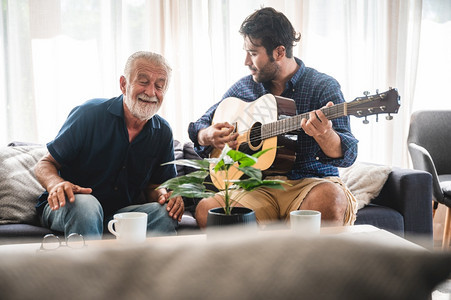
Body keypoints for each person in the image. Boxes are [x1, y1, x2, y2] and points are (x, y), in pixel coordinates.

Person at [188, 7, 358, 228]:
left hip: (310, 184)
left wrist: (325, 134)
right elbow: (200, 126)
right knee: (207, 210)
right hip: (257, 188)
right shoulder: (244, 88)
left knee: (330, 197)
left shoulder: (322, 86)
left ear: (279, 52)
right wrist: (208, 135)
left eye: (253, 53)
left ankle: (291, 255)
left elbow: (348, 154)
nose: (246, 61)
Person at [35, 51, 184, 239]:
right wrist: (56, 184)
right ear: (123, 84)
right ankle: (91, 269)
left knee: (164, 214)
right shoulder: (89, 114)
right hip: (70, 207)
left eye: (159, 86)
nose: (151, 92)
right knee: (87, 206)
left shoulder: (162, 132)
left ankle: (140, 269)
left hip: (120, 213)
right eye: (143, 82)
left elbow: (154, 185)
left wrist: (165, 197)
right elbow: (44, 164)